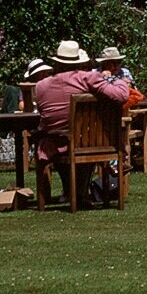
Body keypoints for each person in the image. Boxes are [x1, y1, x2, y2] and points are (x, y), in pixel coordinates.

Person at [34, 40, 131, 204]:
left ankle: (73, 192)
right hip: (90, 142)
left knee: (52, 139)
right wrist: (117, 80)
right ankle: (79, 193)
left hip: (54, 142)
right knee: (81, 137)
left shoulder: (41, 86)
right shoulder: (88, 78)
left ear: (57, 62)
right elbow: (121, 96)